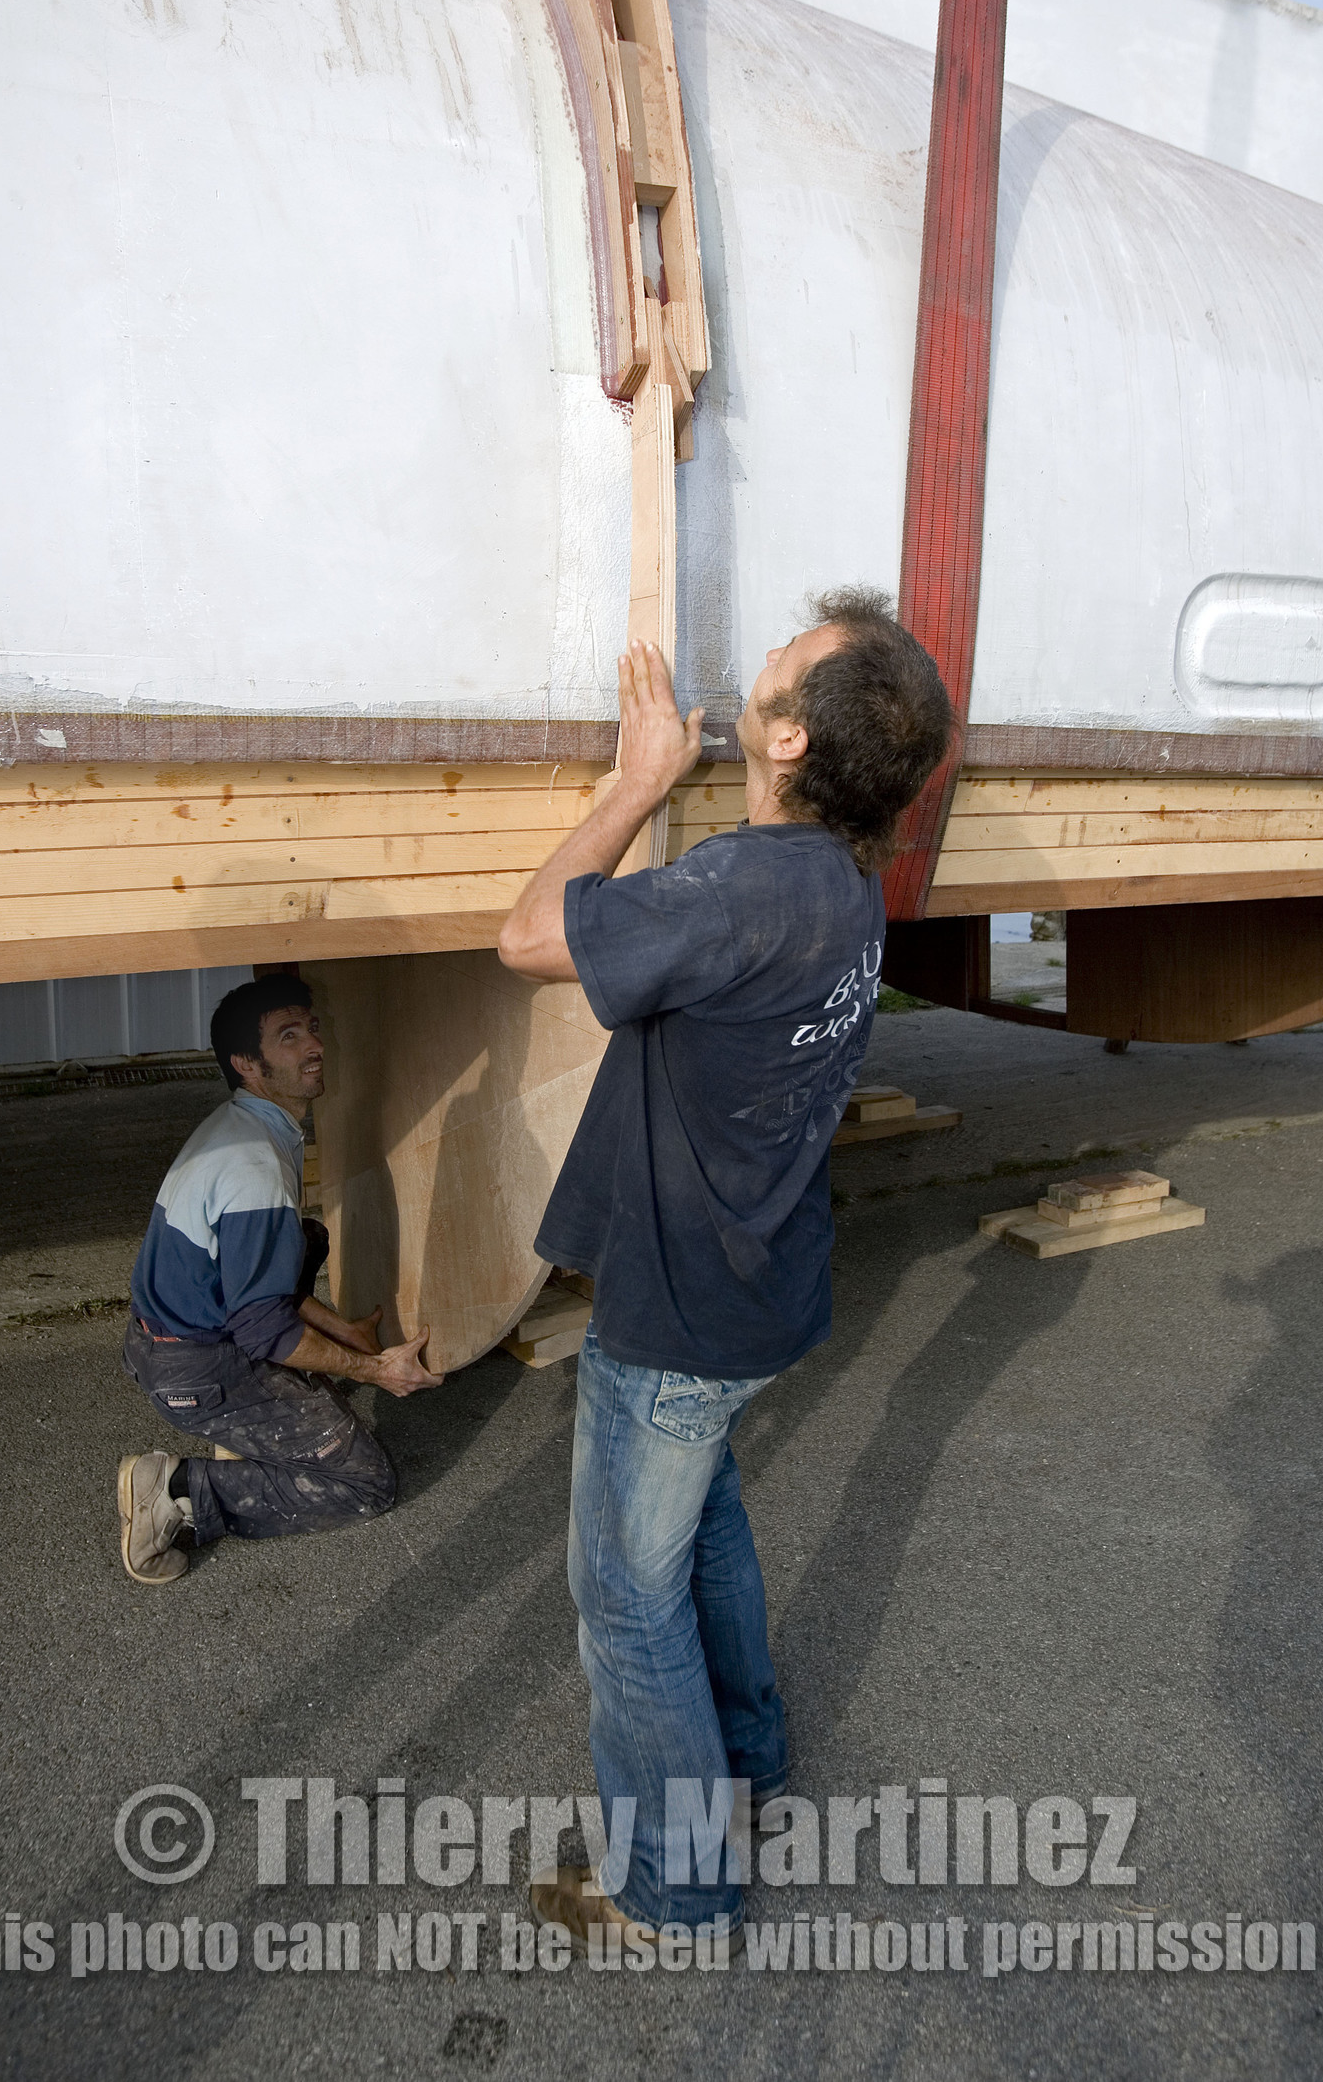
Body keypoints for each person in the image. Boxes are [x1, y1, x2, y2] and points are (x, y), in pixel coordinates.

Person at [497, 588, 951, 1953]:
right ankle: (749, 1760)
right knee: (702, 1527)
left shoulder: (740, 886)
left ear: (793, 741)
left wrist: (635, 784)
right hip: (764, 1292)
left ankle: (675, 1891)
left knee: (626, 1601)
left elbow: (526, 938)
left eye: (781, 666)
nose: (758, 660)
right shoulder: (836, 883)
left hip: (684, 1307)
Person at [117, 974, 442, 1585]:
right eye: (288, 1037)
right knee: (364, 1483)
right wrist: (377, 1370)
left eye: (312, 1029)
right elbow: (261, 1324)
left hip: (176, 1335)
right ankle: (175, 1487)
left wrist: (340, 1330)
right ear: (247, 1063)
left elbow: (257, 1284)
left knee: (307, 1237)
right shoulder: (253, 1165)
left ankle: (260, 1416)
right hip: (196, 1367)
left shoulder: (249, 1124)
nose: (313, 1046)